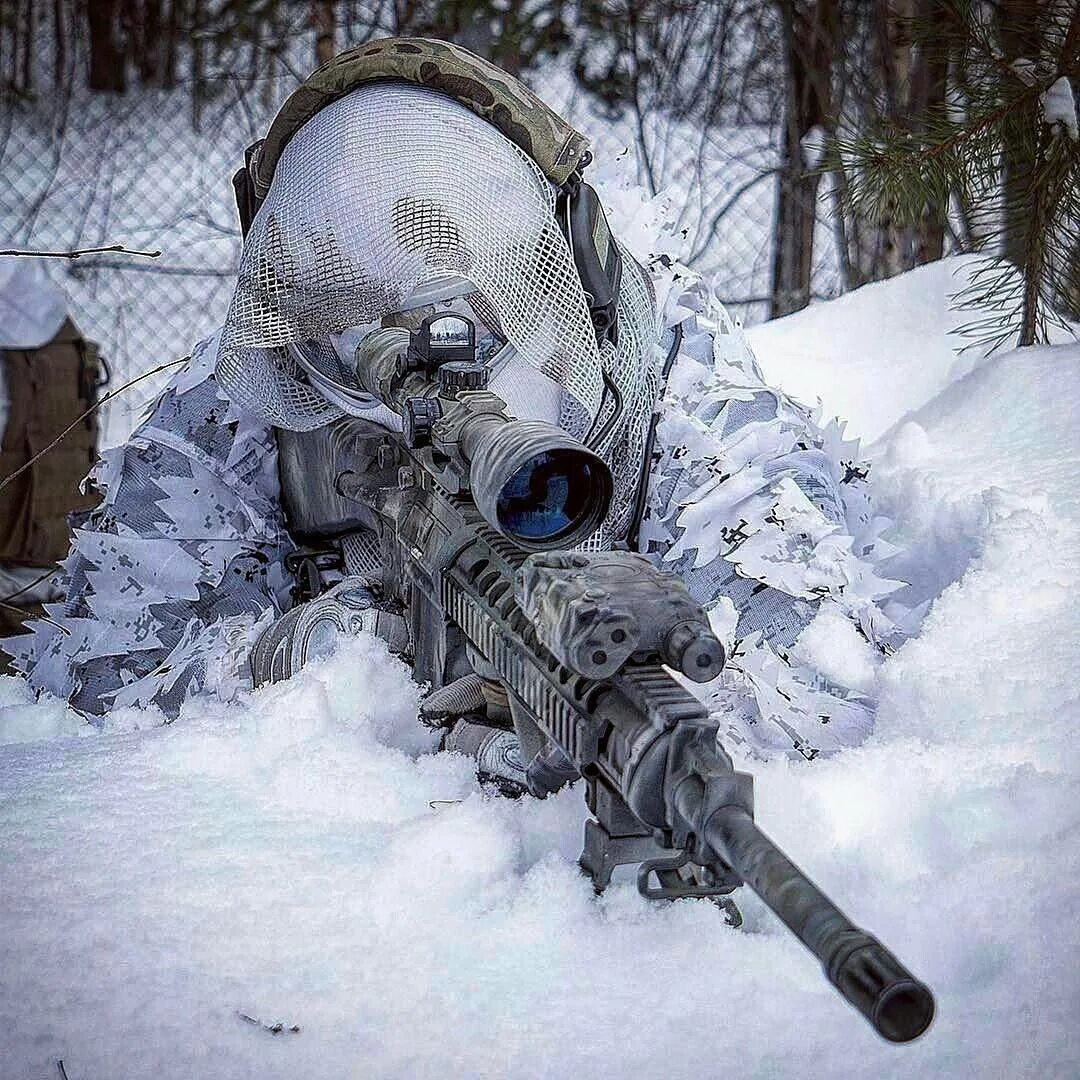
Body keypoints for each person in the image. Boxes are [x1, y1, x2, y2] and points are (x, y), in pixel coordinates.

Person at [2, 38, 905, 787]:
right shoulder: (260, 378)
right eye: (357, 281)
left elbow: (813, 686)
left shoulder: (678, 369)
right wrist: (320, 664)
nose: (414, 321)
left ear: (565, 256)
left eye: (458, 269)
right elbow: (98, 683)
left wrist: (589, 717)